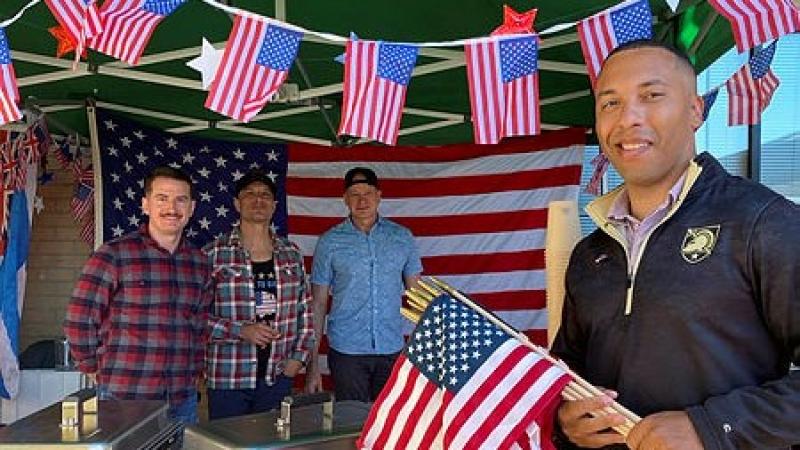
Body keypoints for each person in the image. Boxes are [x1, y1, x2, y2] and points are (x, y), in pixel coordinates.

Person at [551, 39, 800, 449]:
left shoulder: (761, 221)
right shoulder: (590, 254)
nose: (628, 118)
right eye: (610, 103)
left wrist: (713, 427)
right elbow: (567, 373)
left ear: (695, 111)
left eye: (651, 96)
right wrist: (565, 422)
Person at [65, 166, 211, 424]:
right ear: (145, 205)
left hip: (181, 399)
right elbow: (80, 318)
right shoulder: (114, 254)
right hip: (124, 396)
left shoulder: (199, 262)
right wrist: (91, 366)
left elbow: (199, 327)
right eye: (162, 198)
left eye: (181, 199)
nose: (172, 208)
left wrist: (195, 373)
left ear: (192, 208)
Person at [203, 170, 315, 420]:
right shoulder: (213, 254)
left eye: (265, 195)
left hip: (277, 376)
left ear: (275, 205)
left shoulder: (291, 253)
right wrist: (240, 331)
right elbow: (194, 317)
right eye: (250, 194)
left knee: (273, 445)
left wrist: (297, 361)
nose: (258, 200)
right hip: (229, 377)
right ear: (236, 203)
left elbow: (305, 314)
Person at [305, 167, 423, 401]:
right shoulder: (330, 242)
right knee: (351, 423)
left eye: (367, 193)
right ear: (345, 200)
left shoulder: (402, 237)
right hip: (347, 350)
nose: (362, 200)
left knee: (389, 425)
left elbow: (417, 295)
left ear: (379, 196)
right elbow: (318, 304)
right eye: (354, 194)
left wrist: (423, 352)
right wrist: (312, 364)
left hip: (391, 347)